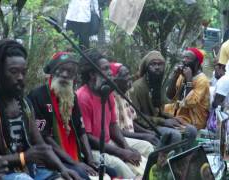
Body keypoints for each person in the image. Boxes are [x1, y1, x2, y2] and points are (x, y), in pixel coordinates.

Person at [0, 39, 79, 179]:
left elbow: (43, 148)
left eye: (23, 72)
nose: (20, 77)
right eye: (13, 72)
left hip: (29, 171)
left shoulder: (25, 104)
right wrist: (23, 157)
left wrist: (63, 170)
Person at [28, 52, 116, 179]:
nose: (65, 75)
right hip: (52, 159)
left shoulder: (72, 96)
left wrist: (90, 159)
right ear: (52, 71)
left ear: (74, 76)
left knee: (110, 172)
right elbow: (44, 137)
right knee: (82, 175)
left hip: (74, 155)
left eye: (70, 72)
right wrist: (74, 163)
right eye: (61, 70)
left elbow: (81, 130)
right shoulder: (38, 95)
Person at [76, 50, 146, 179]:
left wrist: (126, 147)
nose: (110, 72)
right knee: (123, 168)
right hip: (94, 149)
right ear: (92, 74)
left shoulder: (106, 92)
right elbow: (88, 137)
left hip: (110, 142)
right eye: (105, 69)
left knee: (146, 150)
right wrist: (122, 152)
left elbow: (113, 126)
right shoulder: (82, 97)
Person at [129, 51, 197, 146]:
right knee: (175, 135)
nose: (157, 67)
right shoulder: (137, 87)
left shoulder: (157, 83)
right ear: (147, 67)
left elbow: (162, 108)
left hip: (158, 122)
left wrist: (173, 118)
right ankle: (167, 160)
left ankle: (183, 159)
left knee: (191, 130)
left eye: (160, 64)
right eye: (153, 64)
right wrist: (163, 121)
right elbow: (136, 118)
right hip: (146, 126)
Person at [110, 62, 160, 147]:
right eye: (125, 75)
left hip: (131, 136)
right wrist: (143, 136)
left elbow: (131, 122)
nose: (129, 77)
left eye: (128, 74)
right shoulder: (111, 98)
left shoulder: (126, 95)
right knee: (148, 146)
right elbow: (116, 131)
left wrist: (148, 132)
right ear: (115, 80)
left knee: (156, 138)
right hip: (120, 139)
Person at [165, 48, 210, 129]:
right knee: (159, 110)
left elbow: (189, 103)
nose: (184, 60)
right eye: (183, 57)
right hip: (179, 111)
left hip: (193, 118)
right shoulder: (183, 76)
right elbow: (170, 96)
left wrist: (189, 81)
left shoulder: (202, 80)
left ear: (197, 63)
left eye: (188, 58)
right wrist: (175, 76)